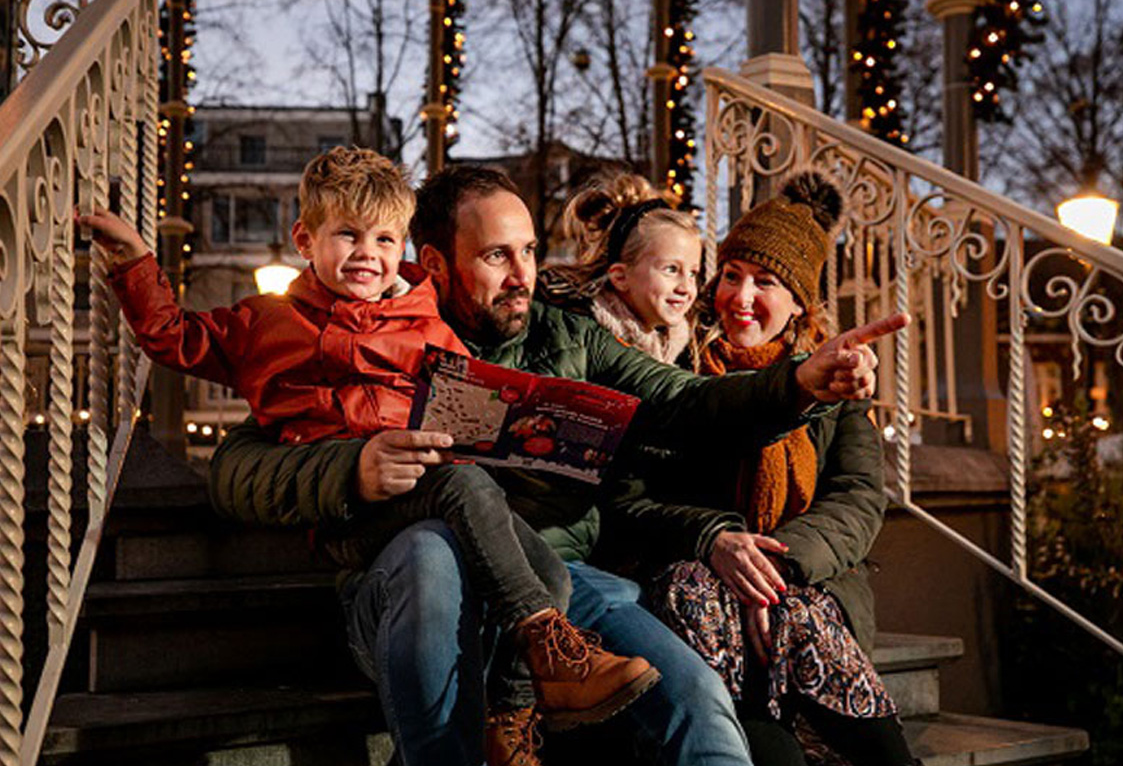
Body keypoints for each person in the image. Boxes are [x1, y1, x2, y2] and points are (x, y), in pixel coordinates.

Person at [206, 165, 907, 766]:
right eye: (496, 258)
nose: (522, 278)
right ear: (436, 264)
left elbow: (683, 400)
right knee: (428, 551)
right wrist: (351, 469)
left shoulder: (564, 336)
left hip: (562, 583)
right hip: (418, 583)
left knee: (697, 698)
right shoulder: (375, 332)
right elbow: (239, 467)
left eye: (530, 252)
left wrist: (798, 385)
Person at [80, 147, 660, 743]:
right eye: (348, 235)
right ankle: (547, 646)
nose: (368, 254)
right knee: (465, 491)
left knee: (548, 570)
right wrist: (134, 262)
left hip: (430, 492)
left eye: (386, 240)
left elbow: (468, 413)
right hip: (351, 515)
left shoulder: (425, 323)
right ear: (305, 240)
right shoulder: (268, 323)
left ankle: (510, 719)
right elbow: (176, 338)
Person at [603, 171, 917, 766]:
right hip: (697, 588)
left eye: (766, 282)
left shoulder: (836, 379)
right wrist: (719, 543)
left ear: (799, 301)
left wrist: (774, 569)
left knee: (803, 619)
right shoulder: (675, 364)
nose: (741, 298)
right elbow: (633, 497)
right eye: (730, 276)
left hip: (803, 585)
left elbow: (854, 501)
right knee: (702, 601)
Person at [542, 172, 700, 365]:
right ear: (620, 277)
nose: (685, 288)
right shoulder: (583, 341)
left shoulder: (685, 350)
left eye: (693, 273)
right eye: (671, 269)